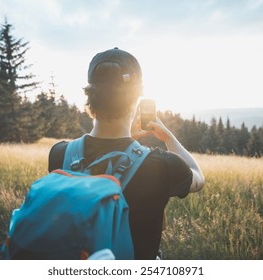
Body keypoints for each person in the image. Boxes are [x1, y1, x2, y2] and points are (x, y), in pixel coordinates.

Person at [48, 47, 205, 260]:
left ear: (90, 95)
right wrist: (168, 137)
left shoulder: (60, 154)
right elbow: (198, 176)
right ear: (136, 99)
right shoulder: (161, 165)